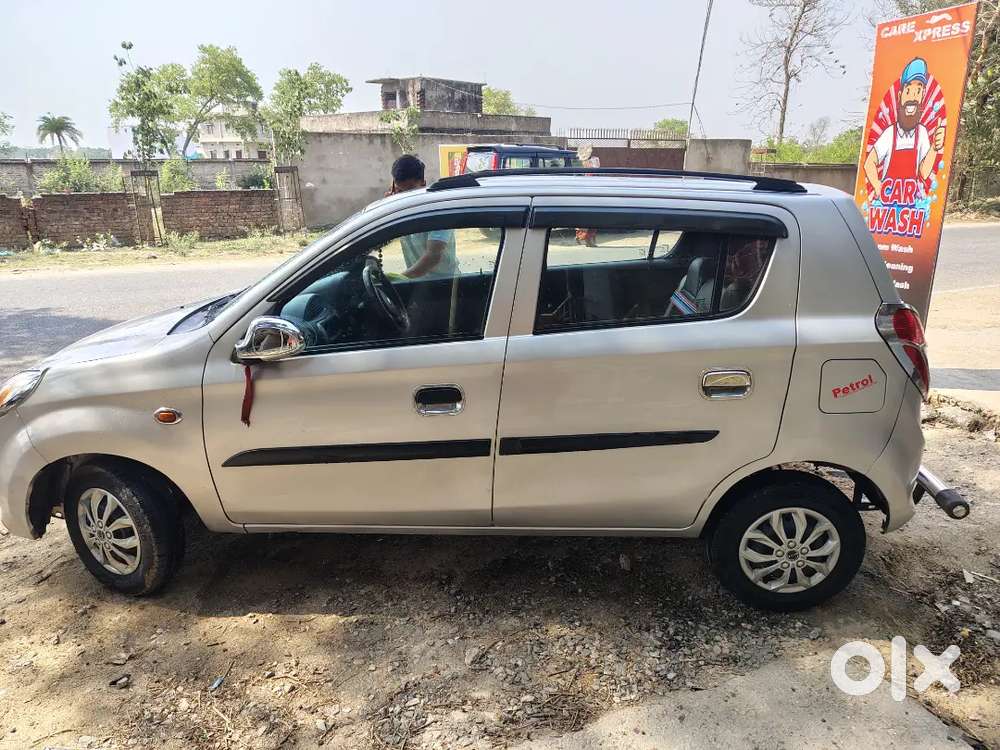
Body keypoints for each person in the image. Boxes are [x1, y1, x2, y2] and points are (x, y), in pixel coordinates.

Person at [863, 58, 946, 200]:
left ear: (923, 96)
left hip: (911, 206)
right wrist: (877, 186)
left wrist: (934, 147)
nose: (913, 96)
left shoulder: (922, 133)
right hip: (886, 205)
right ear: (900, 96)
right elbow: (869, 163)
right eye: (909, 90)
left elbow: (924, 173)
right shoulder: (890, 133)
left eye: (918, 90)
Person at [386, 155, 459, 279]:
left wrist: (399, 278)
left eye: (410, 192)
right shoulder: (399, 210)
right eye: (399, 192)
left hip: (445, 285)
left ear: (423, 184)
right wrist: (386, 211)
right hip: (417, 284)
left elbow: (433, 256)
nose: (405, 198)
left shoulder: (438, 210)